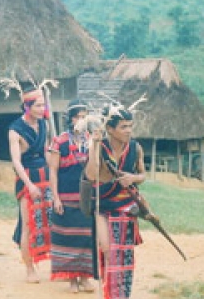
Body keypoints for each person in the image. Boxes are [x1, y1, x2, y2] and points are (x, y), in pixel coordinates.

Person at [85, 107, 146, 299]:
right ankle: (110, 292)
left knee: (122, 253)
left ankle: (119, 294)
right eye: (123, 127)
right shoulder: (99, 146)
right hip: (102, 205)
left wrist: (133, 178)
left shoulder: (135, 148)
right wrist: (94, 146)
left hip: (126, 206)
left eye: (130, 126)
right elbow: (91, 175)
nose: (128, 130)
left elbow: (143, 175)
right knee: (107, 249)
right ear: (110, 129)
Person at [48, 99, 95, 293]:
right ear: (70, 118)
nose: (81, 120)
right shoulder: (59, 141)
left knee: (86, 239)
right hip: (66, 200)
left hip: (86, 199)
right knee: (68, 240)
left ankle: (85, 278)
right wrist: (56, 198)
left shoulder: (91, 140)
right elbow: (52, 171)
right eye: (78, 116)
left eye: (84, 117)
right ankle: (72, 280)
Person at [9, 88, 53, 283]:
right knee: (27, 223)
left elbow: (47, 151)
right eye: (38, 105)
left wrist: (53, 177)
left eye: (43, 104)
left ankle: (51, 261)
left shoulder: (44, 124)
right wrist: (30, 185)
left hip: (44, 175)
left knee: (48, 221)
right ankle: (29, 269)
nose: (42, 108)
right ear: (27, 106)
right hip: (26, 178)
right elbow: (16, 161)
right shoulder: (15, 130)